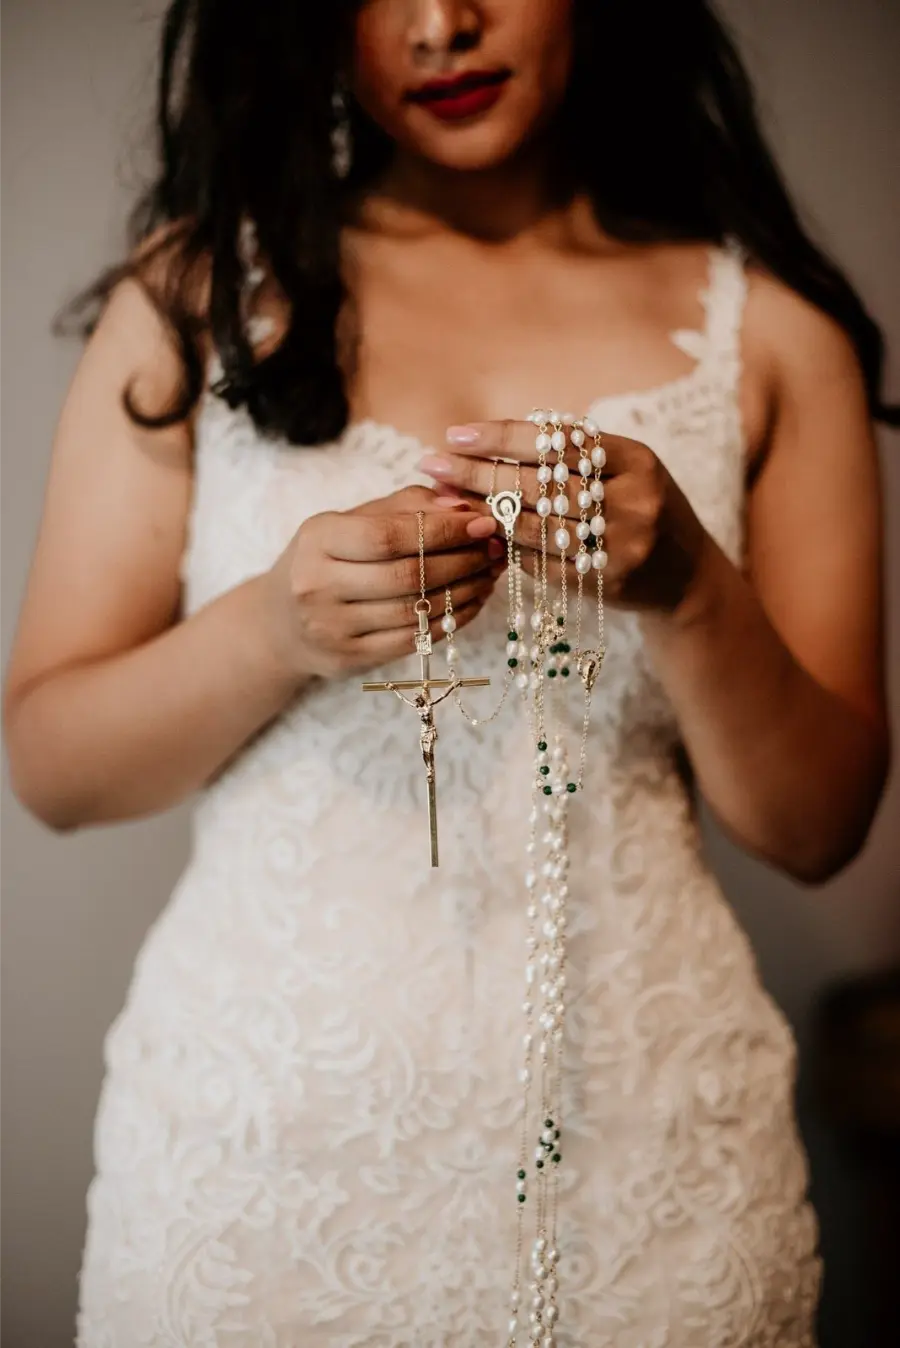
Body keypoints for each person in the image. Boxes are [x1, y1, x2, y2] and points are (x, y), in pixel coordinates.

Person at [2, 1, 893, 1344]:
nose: (441, 24)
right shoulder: (193, 301)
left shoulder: (772, 335)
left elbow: (819, 828)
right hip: (262, 1152)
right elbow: (53, 769)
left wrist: (689, 588)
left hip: (647, 1155)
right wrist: (274, 631)